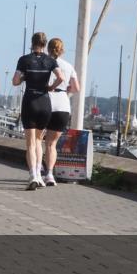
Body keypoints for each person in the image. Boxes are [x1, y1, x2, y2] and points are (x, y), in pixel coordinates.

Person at [13, 32, 64, 190]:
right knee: (38, 141)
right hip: (45, 103)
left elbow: (15, 81)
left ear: (32, 42)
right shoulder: (50, 60)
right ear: (44, 44)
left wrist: (23, 78)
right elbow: (61, 77)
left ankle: (34, 174)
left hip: (30, 102)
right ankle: (40, 175)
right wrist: (51, 87)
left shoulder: (24, 60)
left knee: (30, 143)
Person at [42, 37, 79, 187]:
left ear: (47, 49)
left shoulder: (43, 63)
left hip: (45, 102)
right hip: (63, 105)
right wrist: (66, 92)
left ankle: (37, 172)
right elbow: (76, 88)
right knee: (52, 144)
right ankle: (50, 174)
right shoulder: (69, 66)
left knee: (37, 141)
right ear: (62, 50)